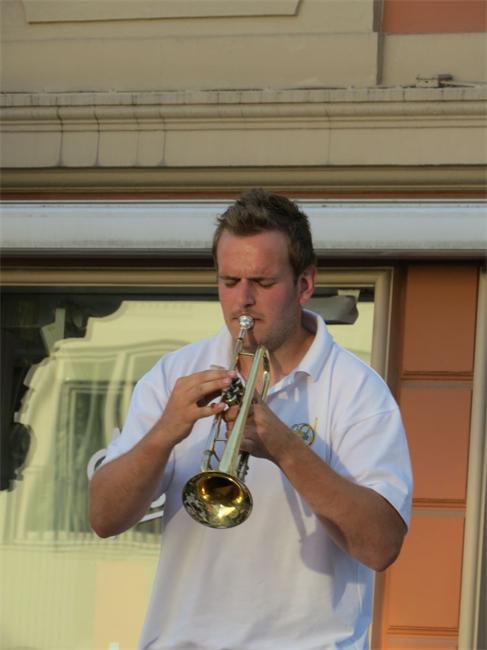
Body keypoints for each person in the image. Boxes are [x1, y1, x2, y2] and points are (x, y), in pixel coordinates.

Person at [90, 189, 412, 650]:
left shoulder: (358, 390)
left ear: (305, 284)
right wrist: (164, 433)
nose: (242, 300)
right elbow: (103, 518)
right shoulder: (173, 374)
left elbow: (381, 546)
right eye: (229, 281)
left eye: (262, 282)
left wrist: (284, 448)